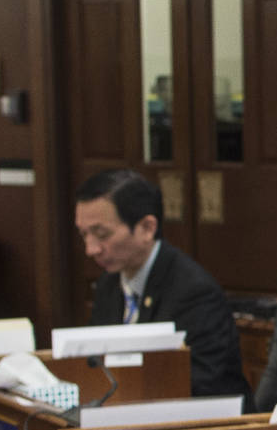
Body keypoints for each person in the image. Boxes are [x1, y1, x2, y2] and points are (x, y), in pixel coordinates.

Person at [76, 169, 248, 397]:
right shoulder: (109, 284)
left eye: (102, 234)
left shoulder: (194, 292)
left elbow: (201, 383)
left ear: (147, 228)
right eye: (83, 234)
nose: (91, 249)